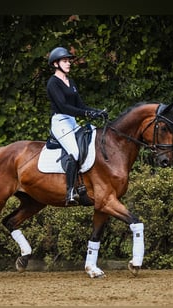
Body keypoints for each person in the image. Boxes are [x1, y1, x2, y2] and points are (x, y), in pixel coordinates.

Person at [46, 46, 108, 206]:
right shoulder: (53, 83)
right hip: (60, 122)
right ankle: (70, 192)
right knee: (74, 152)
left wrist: (96, 112)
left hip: (72, 121)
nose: (68, 63)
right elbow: (64, 106)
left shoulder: (70, 81)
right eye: (65, 61)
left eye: (68, 61)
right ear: (55, 64)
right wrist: (86, 114)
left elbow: (80, 105)